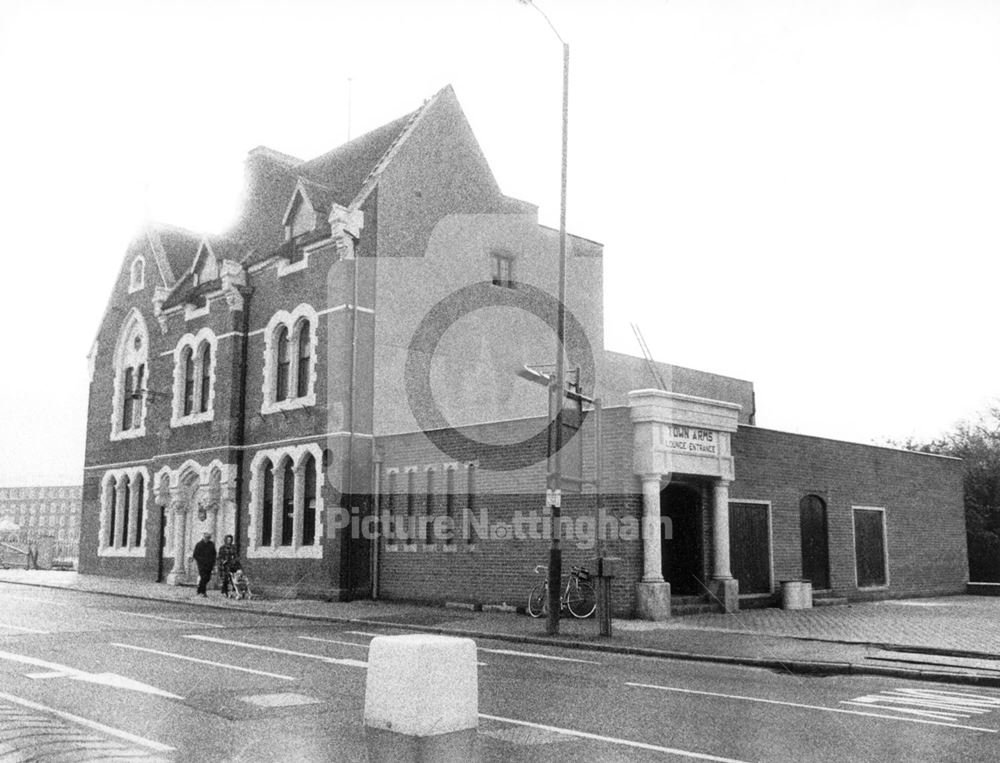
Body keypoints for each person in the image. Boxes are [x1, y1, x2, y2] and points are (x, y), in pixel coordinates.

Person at [192, 532, 217, 597]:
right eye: (206, 537)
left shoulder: (211, 545)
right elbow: (195, 555)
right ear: (203, 537)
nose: (207, 539)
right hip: (202, 564)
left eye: (208, 538)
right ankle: (203, 592)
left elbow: (214, 554)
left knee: (208, 578)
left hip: (209, 564)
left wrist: (213, 562)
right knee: (203, 577)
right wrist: (201, 560)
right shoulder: (199, 545)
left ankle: (199, 590)